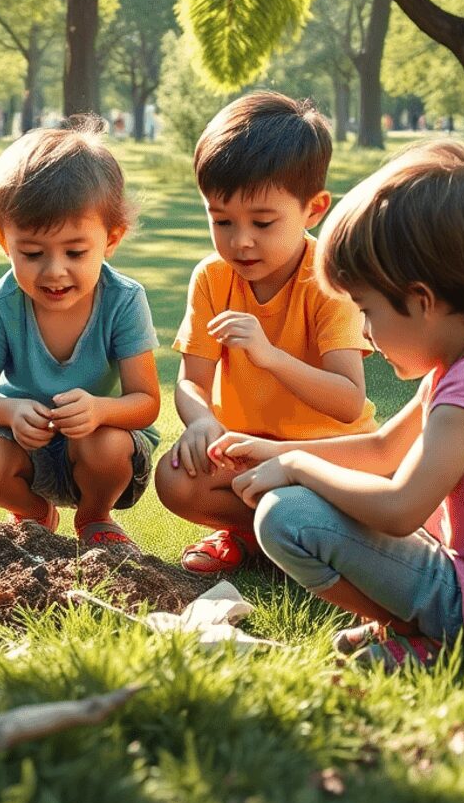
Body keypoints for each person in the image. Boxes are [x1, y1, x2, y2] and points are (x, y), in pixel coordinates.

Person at [216, 139, 464, 671]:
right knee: (302, 502)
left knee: (287, 516)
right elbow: (384, 449)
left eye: (367, 309)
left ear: (422, 301)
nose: (364, 330)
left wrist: (296, 465)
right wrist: (274, 451)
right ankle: (423, 627)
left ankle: (443, 640)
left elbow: (402, 509)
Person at [154, 91, 377, 574]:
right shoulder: (212, 278)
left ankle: (298, 536)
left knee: (324, 497)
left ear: (313, 209)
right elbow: (191, 380)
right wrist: (200, 421)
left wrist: (270, 355)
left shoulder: (329, 281)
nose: (241, 240)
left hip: (326, 458)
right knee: (176, 478)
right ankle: (255, 540)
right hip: (251, 453)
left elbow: (348, 402)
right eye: (222, 221)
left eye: (262, 221)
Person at [0, 121, 161, 555]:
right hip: (23, 446)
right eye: (31, 253)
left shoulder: (123, 300)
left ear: (112, 239)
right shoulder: (3, 302)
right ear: (2, 239)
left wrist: (100, 409)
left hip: (98, 451)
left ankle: (94, 517)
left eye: (75, 252)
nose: (53, 271)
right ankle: (33, 514)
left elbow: (146, 404)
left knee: (102, 442)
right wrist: (11, 412)